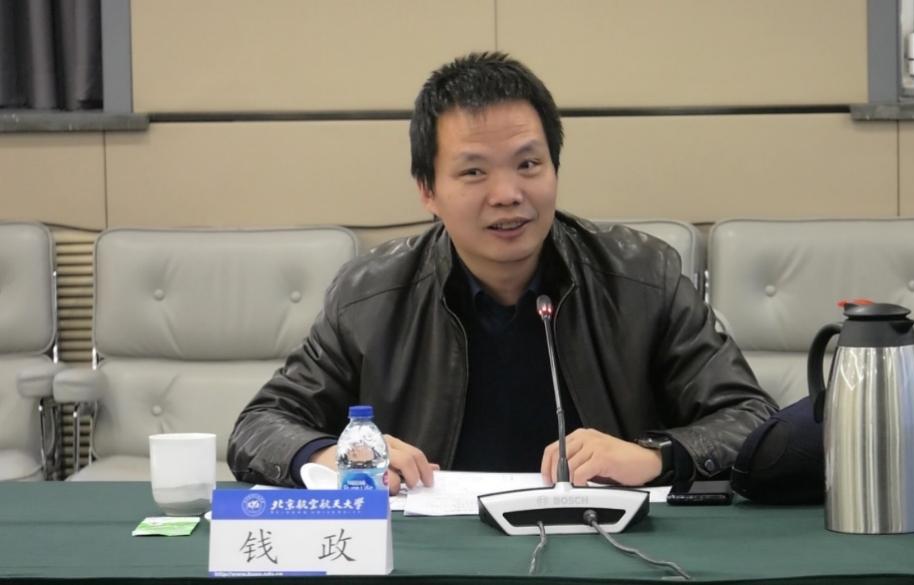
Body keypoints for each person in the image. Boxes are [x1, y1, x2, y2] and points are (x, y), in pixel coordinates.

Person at [227, 52, 776, 493]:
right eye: (473, 172)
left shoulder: (642, 278)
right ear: (427, 191)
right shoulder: (370, 295)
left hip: (602, 545)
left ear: (555, 168)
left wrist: (653, 456)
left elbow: (751, 418)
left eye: (528, 164)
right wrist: (336, 456)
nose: (508, 194)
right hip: (433, 554)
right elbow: (261, 426)